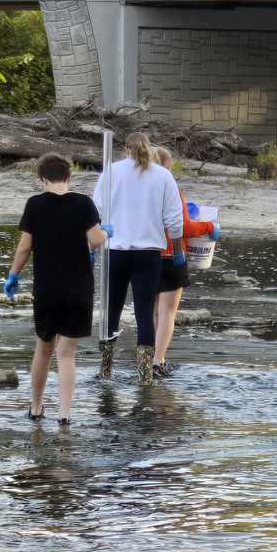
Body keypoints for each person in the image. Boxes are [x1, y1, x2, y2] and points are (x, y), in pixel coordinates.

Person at [3, 152, 111, 425]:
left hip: (47, 290)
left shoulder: (35, 205)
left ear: (43, 179)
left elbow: (25, 246)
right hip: (79, 290)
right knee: (66, 354)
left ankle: (36, 408)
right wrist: (108, 231)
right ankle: (64, 415)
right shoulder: (84, 203)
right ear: (70, 176)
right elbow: (96, 240)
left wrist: (13, 275)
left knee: (43, 351)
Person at [92, 132, 183, 385]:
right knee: (144, 314)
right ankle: (145, 377)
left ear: (126, 150)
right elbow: (175, 222)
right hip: (148, 255)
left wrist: (95, 241)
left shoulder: (112, 171)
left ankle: (105, 371)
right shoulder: (163, 176)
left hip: (115, 251)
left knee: (111, 312)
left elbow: (95, 210)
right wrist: (177, 251)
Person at [150, 146, 218, 377]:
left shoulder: (141, 189)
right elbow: (185, 226)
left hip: (145, 256)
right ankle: (158, 361)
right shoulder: (170, 188)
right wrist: (209, 226)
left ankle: (150, 358)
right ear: (167, 166)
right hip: (170, 255)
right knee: (168, 312)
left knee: (153, 313)